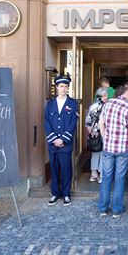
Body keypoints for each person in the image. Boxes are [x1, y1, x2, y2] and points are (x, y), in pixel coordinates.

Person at [98, 82, 128, 218]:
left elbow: (101, 123)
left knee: (106, 178)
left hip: (108, 148)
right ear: (127, 93)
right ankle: (116, 210)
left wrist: (105, 138)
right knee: (120, 179)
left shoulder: (107, 103)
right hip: (123, 150)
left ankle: (103, 208)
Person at [44, 75, 79, 206]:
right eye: (61, 86)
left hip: (65, 143)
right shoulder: (50, 104)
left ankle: (66, 194)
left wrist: (63, 139)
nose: (64, 89)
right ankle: (55, 193)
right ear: (57, 87)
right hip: (53, 143)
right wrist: (54, 139)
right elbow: (46, 122)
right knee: (53, 168)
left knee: (65, 168)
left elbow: (73, 123)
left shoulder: (72, 103)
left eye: (66, 86)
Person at [85, 87, 108, 183]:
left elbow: (87, 121)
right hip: (103, 133)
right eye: (105, 95)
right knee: (103, 154)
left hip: (94, 134)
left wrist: (91, 133)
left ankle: (93, 174)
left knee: (95, 154)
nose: (107, 97)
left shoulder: (93, 106)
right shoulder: (105, 106)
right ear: (102, 96)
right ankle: (102, 175)